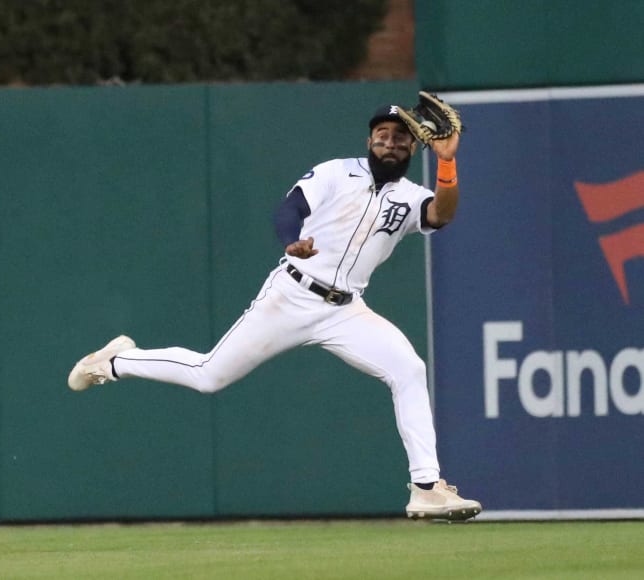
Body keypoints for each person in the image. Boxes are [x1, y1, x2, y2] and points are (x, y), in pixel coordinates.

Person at [68, 104, 482, 521]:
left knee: (408, 369)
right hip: (292, 295)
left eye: (400, 135)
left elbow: (442, 214)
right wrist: (290, 240)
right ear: (369, 139)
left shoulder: (411, 195)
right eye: (382, 133)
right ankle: (115, 361)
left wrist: (447, 162)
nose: (390, 141)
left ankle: (427, 488)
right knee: (209, 375)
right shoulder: (336, 172)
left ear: (415, 144)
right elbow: (290, 209)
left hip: (347, 310)